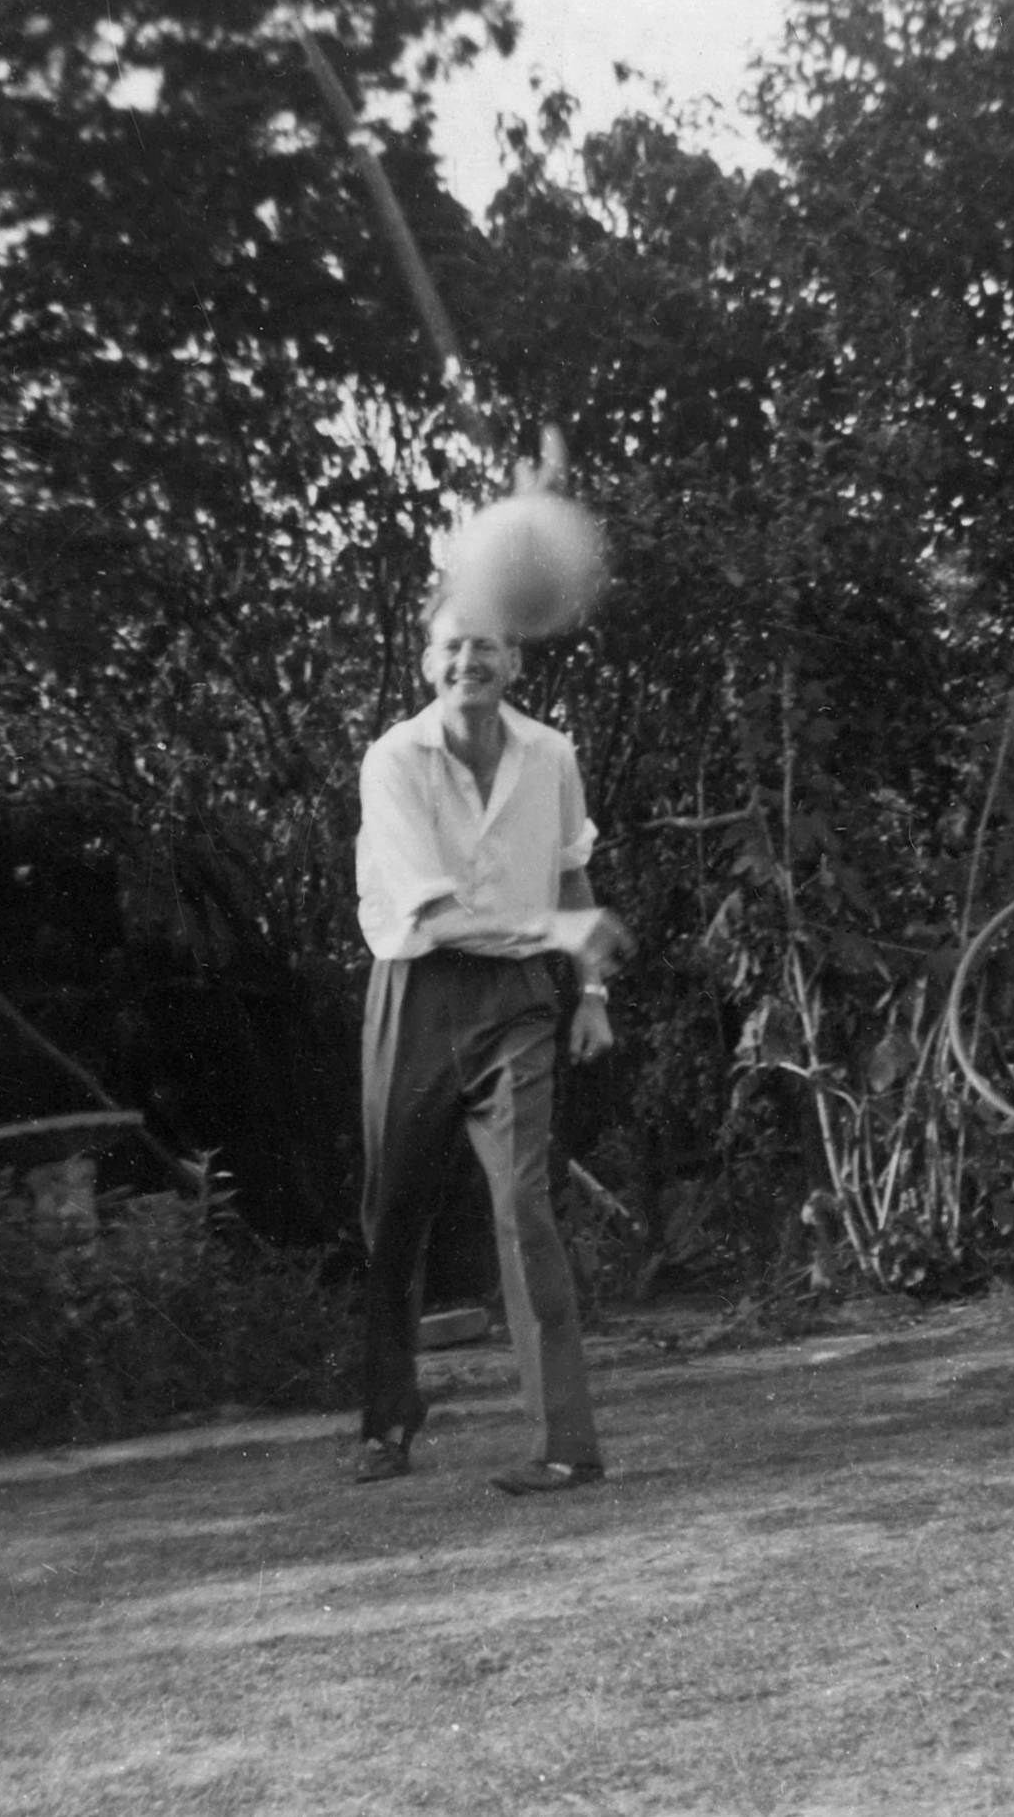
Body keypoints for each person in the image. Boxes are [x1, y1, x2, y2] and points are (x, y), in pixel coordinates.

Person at [351, 574, 626, 1495]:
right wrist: (556, 930)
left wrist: (591, 991)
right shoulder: (393, 760)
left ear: (514, 661)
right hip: (416, 994)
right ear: (427, 662)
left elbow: (571, 873)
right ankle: (387, 1422)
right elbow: (431, 912)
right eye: (452, 645)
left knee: (525, 1208)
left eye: (487, 646)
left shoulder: (551, 754)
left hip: (518, 999)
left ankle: (565, 1447)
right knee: (395, 1213)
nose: (469, 660)